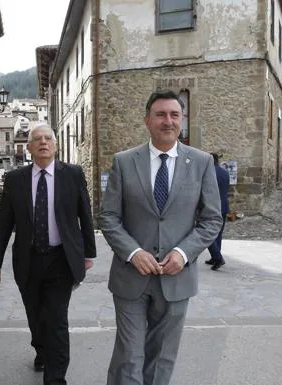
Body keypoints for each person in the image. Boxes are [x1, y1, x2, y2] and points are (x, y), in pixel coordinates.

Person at [98, 90, 222, 385]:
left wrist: (182, 253)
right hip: (131, 277)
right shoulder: (124, 162)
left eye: (174, 115)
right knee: (129, 354)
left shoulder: (202, 162)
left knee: (162, 356)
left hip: (177, 277)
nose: (168, 121)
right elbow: (108, 217)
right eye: (161, 114)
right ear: (147, 120)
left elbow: (211, 218)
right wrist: (132, 252)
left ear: (183, 120)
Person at [0, 123, 96, 385]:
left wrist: (89, 252)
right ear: (29, 147)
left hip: (61, 259)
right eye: (38, 139)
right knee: (35, 316)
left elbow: (84, 213)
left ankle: (56, 378)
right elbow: (3, 224)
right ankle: (41, 349)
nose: (44, 142)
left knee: (57, 318)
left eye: (48, 138)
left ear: (56, 146)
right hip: (28, 260)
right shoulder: (15, 180)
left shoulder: (72, 174)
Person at [205, 153, 230, 271]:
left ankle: (218, 257)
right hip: (224, 206)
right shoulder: (224, 172)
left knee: (206, 233)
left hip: (211, 207)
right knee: (218, 233)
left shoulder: (208, 172)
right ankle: (214, 257)